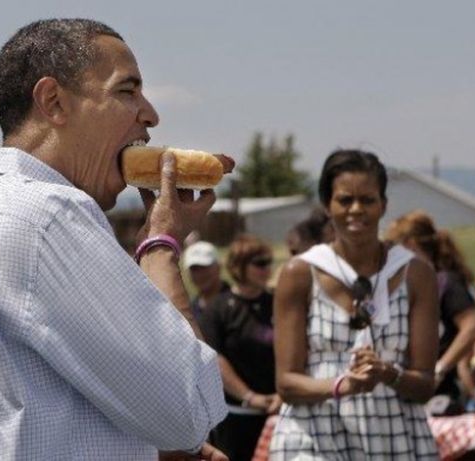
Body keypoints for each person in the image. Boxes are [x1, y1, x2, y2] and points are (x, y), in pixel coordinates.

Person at [0, 19, 229, 460]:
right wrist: (160, 246)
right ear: (53, 102)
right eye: (127, 91)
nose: (150, 115)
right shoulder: (49, 214)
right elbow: (189, 409)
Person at [271, 149, 439, 459]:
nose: (356, 209)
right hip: (316, 436)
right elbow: (286, 383)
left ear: (383, 205)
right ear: (327, 206)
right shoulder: (300, 273)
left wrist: (387, 373)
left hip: (394, 438)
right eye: (345, 200)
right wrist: (342, 385)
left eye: (368, 200)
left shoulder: (416, 273)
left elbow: (426, 384)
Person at [385, 211, 475, 415]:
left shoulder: (444, 282)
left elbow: (472, 327)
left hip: (441, 398)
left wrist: (440, 368)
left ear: (410, 245)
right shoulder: (411, 286)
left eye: (394, 247)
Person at [200, 234, 281, 461]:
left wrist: (282, 395)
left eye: (269, 263)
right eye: (260, 263)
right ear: (239, 267)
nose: (267, 269)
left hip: (277, 412)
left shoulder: (277, 302)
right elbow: (215, 358)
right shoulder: (219, 308)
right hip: (237, 418)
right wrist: (249, 397)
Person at [183, 241, 230, 321]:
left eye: (204, 267)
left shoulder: (237, 304)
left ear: (218, 267)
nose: (199, 274)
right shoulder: (189, 310)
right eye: (194, 269)